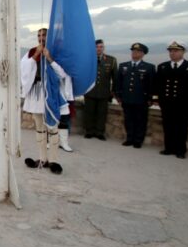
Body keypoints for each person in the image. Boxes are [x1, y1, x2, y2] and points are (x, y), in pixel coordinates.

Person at [20, 28, 73, 174]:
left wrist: (49, 58)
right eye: (38, 35)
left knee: (53, 128)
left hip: (50, 93)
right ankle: (42, 158)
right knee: (39, 127)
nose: (40, 38)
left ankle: (54, 160)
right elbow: (23, 68)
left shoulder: (56, 52)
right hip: (36, 93)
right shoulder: (31, 51)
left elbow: (62, 74)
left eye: (43, 35)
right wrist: (36, 54)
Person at [152, 40, 188, 159]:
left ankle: (180, 150)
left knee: (182, 127)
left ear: (183, 52)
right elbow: (157, 85)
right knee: (168, 126)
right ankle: (168, 148)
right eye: (170, 51)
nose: (172, 53)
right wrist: (156, 99)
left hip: (184, 104)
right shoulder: (162, 66)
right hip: (166, 103)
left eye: (176, 51)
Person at [115, 43, 155, 148]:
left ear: (143, 54)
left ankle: (138, 140)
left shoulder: (149, 67)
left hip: (141, 99)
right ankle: (129, 138)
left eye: (137, 51)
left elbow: (152, 85)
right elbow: (118, 82)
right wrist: (119, 96)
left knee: (140, 120)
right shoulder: (123, 66)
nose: (134, 53)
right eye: (133, 51)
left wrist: (150, 98)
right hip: (127, 98)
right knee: (128, 120)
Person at [83, 39, 117, 140]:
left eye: (101, 47)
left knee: (102, 113)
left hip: (104, 92)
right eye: (97, 47)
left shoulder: (111, 60)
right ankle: (89, 131)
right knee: (89, 113)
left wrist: (113, 92)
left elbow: (115, 78)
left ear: (104, 48)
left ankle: (99, 132)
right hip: (90, 91)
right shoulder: (88, 59)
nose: (99, 49)